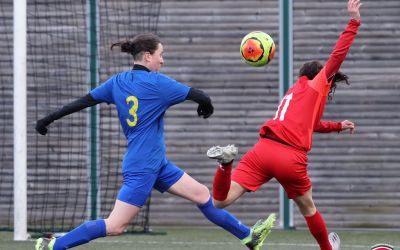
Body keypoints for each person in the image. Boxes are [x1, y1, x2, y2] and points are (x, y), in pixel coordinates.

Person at [34, 33, 276, 250]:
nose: (163, 60)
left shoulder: (117, 82)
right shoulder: (159, 84)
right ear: (148, 56)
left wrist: (48, 119)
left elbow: (82, 101)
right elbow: (201, 96)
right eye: (161, 55)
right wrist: (206, 107)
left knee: (203, 195)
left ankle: (248, 237)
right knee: (116, 225)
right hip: (142, 166)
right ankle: (54, 246)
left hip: (155, 162)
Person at [206, 1, 362, 250]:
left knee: (219, 201)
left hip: (263, 150)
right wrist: (353, 22)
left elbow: (310, 124)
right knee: (308, 207)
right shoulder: (315, 85)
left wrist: (336, 126)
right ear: (317, 75)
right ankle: (327, 248)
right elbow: (338, 55)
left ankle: (225, 164)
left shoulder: (294, 91)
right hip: (289, 157)